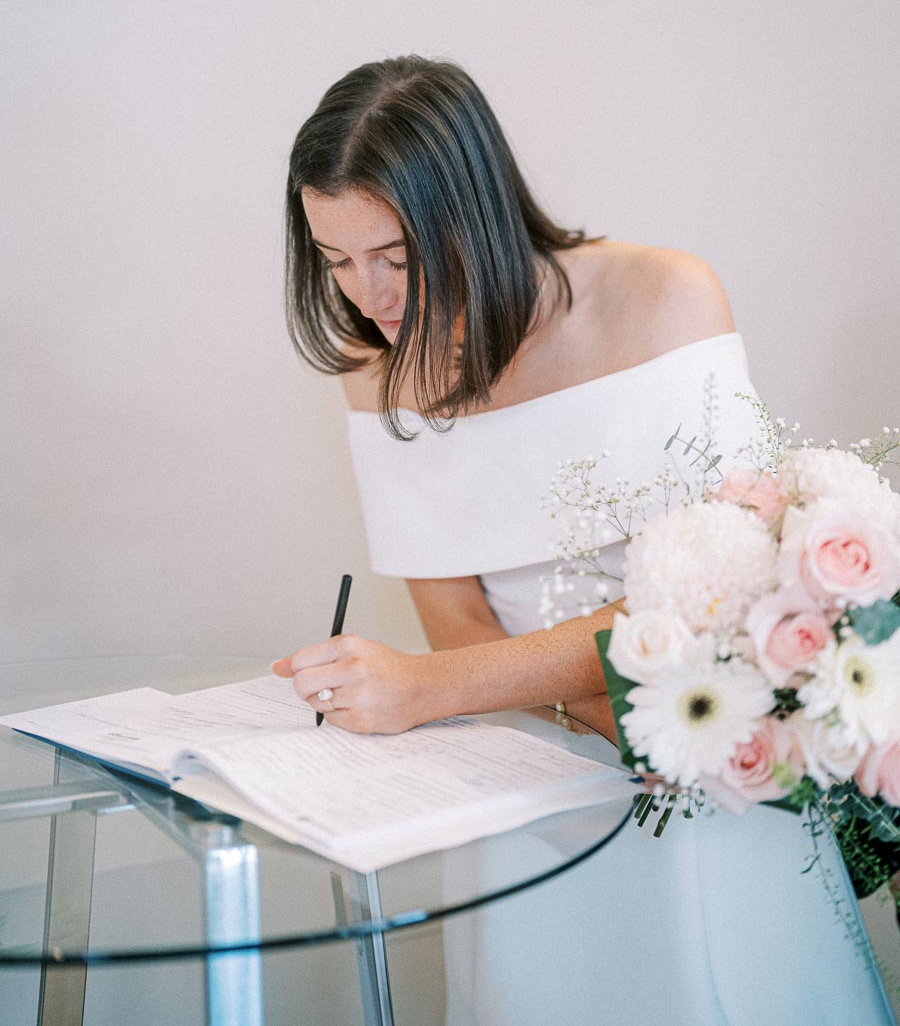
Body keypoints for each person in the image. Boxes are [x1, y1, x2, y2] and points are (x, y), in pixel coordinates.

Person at [272, 55, 893, 1025]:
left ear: (470, 210)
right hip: (532, 775)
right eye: (337, 259)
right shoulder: (375, 373)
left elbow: (727, 587)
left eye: (395, 255)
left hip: (705, 742)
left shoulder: (665, 295)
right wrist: (589, 713)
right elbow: (458, 627)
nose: (369, 296)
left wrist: (421, 692)